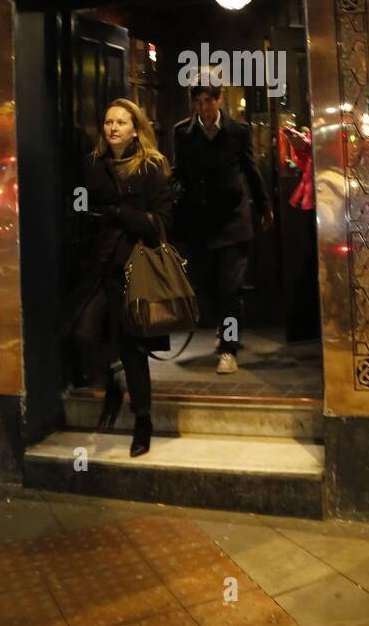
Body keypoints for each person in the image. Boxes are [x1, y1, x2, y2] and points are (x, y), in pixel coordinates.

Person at [65, 99, 173, 458]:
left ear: (135, 127)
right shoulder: (93, 164)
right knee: (82, 330)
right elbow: (80, 210)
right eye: (108, 121)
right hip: (99, 265)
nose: (112, 128)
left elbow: (158, 222)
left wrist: (115, 212)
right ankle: (111, 383)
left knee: (132, 346)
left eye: (120, 122)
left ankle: (143, 421)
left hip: (134, 266)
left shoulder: (152, 166)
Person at [173, 79, 272, 374]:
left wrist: (264, 205)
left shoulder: (237, 132)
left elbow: (251, 170)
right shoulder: (183, 132)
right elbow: (179, 171)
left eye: (208, 101)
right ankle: (223, 328)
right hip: (199, 222)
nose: (203, 108)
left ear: (219, 100)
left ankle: (228, 348)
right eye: (198, 102)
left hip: (232, 221)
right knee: (208, 286)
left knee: (230, 288)